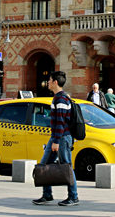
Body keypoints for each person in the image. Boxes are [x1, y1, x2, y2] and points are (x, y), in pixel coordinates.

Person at [32, 70, 78, 207]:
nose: (48, 82)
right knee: (44, 164)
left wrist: (56, 141)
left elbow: (60, 122)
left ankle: (73, 197)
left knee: (66, 166)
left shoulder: (61, 99)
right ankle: (47, 195)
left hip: (61, 137)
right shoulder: (58, 98)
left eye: (50, 80)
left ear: (55, 82)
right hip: (57, 137)